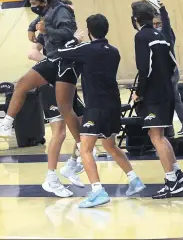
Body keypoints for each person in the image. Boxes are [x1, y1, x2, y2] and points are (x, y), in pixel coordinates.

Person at [49, 14, 146, 208]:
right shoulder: (114, 51)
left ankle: (97, 191)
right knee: (110, 145)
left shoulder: (86, 49)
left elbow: (57, 52)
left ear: (90, 31)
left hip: (96, 107)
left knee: (85, 148)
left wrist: (75, 39)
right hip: (114, 105)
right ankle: (134, 180)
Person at [0, 0, 83, 197]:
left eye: (35, 3)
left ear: (46, 1)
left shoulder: (60, 11)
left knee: (74, 121)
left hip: (60, 65)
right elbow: (38, 28)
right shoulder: (47, 11)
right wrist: (34, 31)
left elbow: (64, 31)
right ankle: (63, 168)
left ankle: (76, 160)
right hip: (53, 67)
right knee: (59, 128)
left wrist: (47, 31)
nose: (33, 7)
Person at [131, 0, 183, 199]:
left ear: (136, 18)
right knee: (159, 135)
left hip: (154, 95)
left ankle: (171, 181)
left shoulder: (141, 36)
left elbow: (144, 69)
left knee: (157, 137)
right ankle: (177, 172)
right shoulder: (162, 36)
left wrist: (140, 92)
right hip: (167, 92)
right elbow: (173, 64)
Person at [28, 32, 88, 192]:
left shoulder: (70, 34)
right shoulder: (48, 33)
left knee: (83, 127)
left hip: (67, 82)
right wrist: (52, 64)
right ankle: (51, 178)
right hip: (51, 84)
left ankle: (71, 165)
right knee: (60, 133)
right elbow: (32, 53)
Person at [153, 1, 183, 136]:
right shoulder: (157, 34)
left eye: (158, 24)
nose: (156, 26)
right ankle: (177, 125)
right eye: (154, 24)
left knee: (172, 99)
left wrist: (163, 9)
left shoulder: (166, 33)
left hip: (170, 71)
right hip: (166, 72)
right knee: (173, 99)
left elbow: (166, 21)